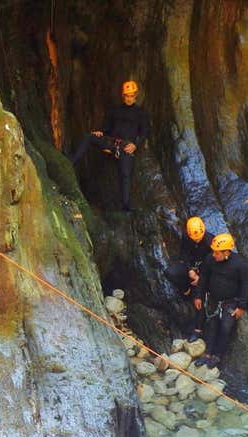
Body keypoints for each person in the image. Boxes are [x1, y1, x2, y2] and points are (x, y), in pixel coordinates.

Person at [69, 80, 149, 212]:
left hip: (126, 146)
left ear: (136, 95)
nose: (129, 98)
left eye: (131, 95)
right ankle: (72, 161)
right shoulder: (115, 110)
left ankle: (125, 206)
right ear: (123, 96)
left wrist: (135, 144)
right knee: (89, 137)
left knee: (125, 174)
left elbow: (144, 132)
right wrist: (101, 132)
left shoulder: (141, 113)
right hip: (111, 142)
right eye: (126, 95)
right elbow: (107, 127)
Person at [193, 233, 248, 368]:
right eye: (213, 252)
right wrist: (198, 296)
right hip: (213, 299)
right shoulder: (210, 260)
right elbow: (204, 278)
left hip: (230, 302)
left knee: (225, 328)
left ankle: (217, 355)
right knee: (211, 326)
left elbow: (246, 285)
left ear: (226, 252)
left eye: (217, 253)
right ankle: (207, 353)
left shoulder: (240, 265)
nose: (214, 255)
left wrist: (241, 306)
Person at [163, 216, 214, 342]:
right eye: (193, 238)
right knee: (170, 272)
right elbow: (184, 254)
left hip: (206, 274)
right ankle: (186, 289)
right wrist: (190, 269)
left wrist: (201, 279)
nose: (196, 240)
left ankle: (198, 329)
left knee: (199, 300)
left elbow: (215, 266)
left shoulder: (210, 242)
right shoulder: (187, 237)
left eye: (198, 238)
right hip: (192, 269)